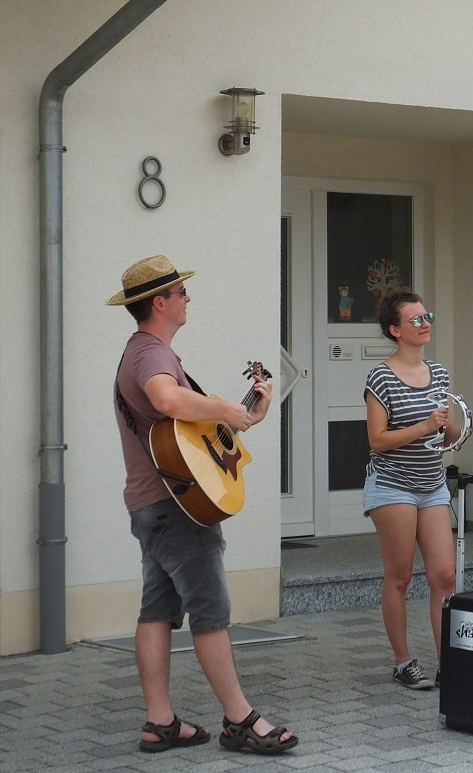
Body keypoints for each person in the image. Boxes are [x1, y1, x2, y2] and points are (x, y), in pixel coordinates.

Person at [107, 255, 298, 755]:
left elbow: (187, 432)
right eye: (181, 292)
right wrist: (224, 408)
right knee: (210, 610)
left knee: (157, 608)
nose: (189, 298)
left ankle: (160, 723)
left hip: (152, 501)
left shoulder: (142, 351)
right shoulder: (152, 356)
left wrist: (243, 416)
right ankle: (240, 720)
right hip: (177, 508)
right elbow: (169, 402)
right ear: (160, 302)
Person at [364, 288, 473, 689]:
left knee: (443, 575)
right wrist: (425, 426)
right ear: (395, 330)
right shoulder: (380, 377)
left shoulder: (438, 373)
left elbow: (443, 434)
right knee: (400, 575)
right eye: (416, 320)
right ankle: (403, 661)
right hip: (392, 486)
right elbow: (377, 440)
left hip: (432, 485)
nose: (425, 324)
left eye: (428, 317)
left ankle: (451, 663)